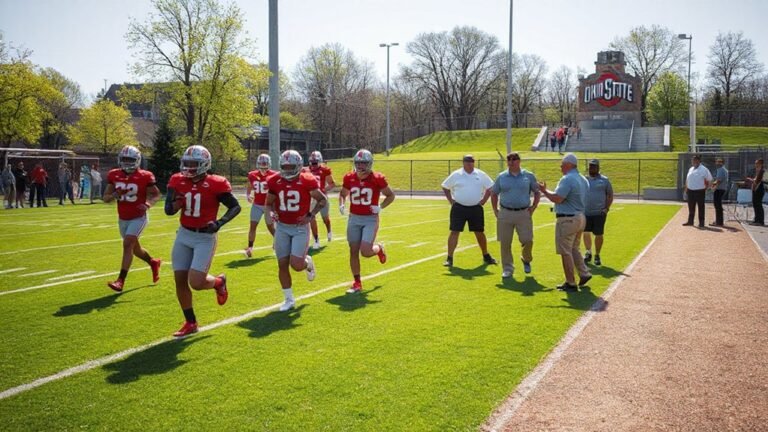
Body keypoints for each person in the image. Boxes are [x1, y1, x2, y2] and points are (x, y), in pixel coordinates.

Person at [165, 145, 241, 337]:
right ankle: (190, 322)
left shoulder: (216, 183)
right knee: (180, 280)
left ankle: (218, 282)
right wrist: (177, 203)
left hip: (204, 237)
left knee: (197, 283)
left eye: (194, 164)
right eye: (187, 163)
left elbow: (235, 207)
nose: (189, 168)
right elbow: (168, 210)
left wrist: (219, 223)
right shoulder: (177, 180)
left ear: (204, 165)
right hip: (184, 234)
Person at [266, 150, 327, 310]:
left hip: (300, 228)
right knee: (282, 264)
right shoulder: (274, 180)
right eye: (284, 166)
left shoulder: (307, 180)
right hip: (283, 227)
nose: (287, 170)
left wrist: (311, 215)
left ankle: (307, 262)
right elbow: (269, 202)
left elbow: (322, 199)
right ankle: (289, 299)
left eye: (291, 166)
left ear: (298, 166)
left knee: (296, 265)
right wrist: (272, 213)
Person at [103, 145, 163, 292]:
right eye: (124, 159)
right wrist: (115, 195)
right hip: (123, 217)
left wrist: (148, 204)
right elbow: (105, 198)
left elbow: (156, 194)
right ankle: (153, 262)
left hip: (139, 217)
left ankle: (120, 280)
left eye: (130, 159)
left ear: (137, 160)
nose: (127, 162)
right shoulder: (114, 174)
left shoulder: (145, 176)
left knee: (127, 243)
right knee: (135, 249)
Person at [339, 149, 395, 293]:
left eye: (364, 163)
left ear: (369, 163)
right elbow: (343, 193)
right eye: (358, 163)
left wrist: (380, 207)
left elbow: (390, 195)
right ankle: (357, 283)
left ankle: (379, 249)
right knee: (353, 251)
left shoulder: (377, 178)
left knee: (365, 251)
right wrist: (341, 203)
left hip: (370, 219)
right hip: (354, 218)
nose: (360, 166)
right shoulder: (349, 177)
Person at [538, 153, 592, 292]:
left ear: (569, 164)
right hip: (580, 217)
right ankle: (584, 272)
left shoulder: (567, 179)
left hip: (568, 218)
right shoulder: (582, 179)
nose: (560, 167)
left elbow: (558, 198)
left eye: (562, 164)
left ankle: (570, 282)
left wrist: (544, 191)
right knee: (574, 248)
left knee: (565, 251)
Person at [441, 154, 496, 269]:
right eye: (467, 161)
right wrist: (451, 200)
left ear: (474, 162)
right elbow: (445, 186)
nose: (469, 163)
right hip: (459, 208)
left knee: (479, 232)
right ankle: (449, 258)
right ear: (463, 162)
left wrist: (484, 200)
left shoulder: (480, 174)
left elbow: (491, 187)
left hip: (475, 208)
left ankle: (486, 255)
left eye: (471, 161)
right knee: (454, 231)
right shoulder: (456, 174)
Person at [490, 152, 540, 278]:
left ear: (519, 161)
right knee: (505, 243)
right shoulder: (501, 177)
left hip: (523, 212)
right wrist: (495, 210)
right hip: (505, 213)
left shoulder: (528, 176)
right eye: (508, 160)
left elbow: (537, 192)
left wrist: (533, 207)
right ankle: (507, 268)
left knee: (527, 240)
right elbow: (494, 193)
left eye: (513, 159)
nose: (510, 162)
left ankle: (526, 259)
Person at [244, 153, 278, 258]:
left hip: (269, 205)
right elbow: (250, 186)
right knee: (252, 226)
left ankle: (278, 242)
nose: (263, 167)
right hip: (257, 204)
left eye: (265, 165)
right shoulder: (252, 175)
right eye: (261, 164)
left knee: (270, 227)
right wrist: (248, 194)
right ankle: (250, 248)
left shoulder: (274, 175)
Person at [583, 159, 613, 266]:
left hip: (599, 212)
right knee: (585, 232)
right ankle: (588, 252)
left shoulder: (604, 180)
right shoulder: (584, 180)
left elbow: (609, 195)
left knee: (599, 234)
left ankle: (597, 255)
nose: (592, 168)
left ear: (598, 168)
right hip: (585, 212)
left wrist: (606, 208)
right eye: (590, 166)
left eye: (594, 166)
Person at [306, 150, 336, 249]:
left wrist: (323, 190)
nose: (313, 165)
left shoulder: (325, 170)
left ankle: (329, 231)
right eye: (312, 162)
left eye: (315, 162)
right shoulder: (306, 171)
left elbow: (332, 184)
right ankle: (316, 239)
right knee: (311, 218)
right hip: (311, 198)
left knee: (325, 218)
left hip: (322, 198)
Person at [683, 155, 712, 228]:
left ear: (699, 161)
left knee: (701, 207)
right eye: (693, 160)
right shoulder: (691, 169)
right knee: (691, 207)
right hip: (690, 191)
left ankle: (701, 223)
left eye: (695, 160)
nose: (693, 161)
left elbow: (709, 179)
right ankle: (690, 221)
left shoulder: (704, 169)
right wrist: (686, 189)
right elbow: (687, 180)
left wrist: (707, 188)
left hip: (700, 191)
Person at [745, 158, 765, 226]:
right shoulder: (757, 171)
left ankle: (760, 221)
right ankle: (757, 220)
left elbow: (757, 181)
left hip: (759, 189)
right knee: (755, 204)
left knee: (758, 204)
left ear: (761, 164)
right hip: (756, 189)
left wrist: (750, 180)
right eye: (755, 163)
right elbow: (755, 180)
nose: (755, 164)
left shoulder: (762, 171)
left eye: (757, 163)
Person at [710, 158, 728, 227]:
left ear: (722, 163)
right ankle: (718, 221)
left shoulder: (721, 169)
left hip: (719, 189)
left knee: (717, 205)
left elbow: (719, 180)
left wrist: (714, 185)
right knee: (718, 205)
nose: (717, 163)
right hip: (721, 188)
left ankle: (719, 222)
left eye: (719, 162)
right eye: (717, 162)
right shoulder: (723, 169)